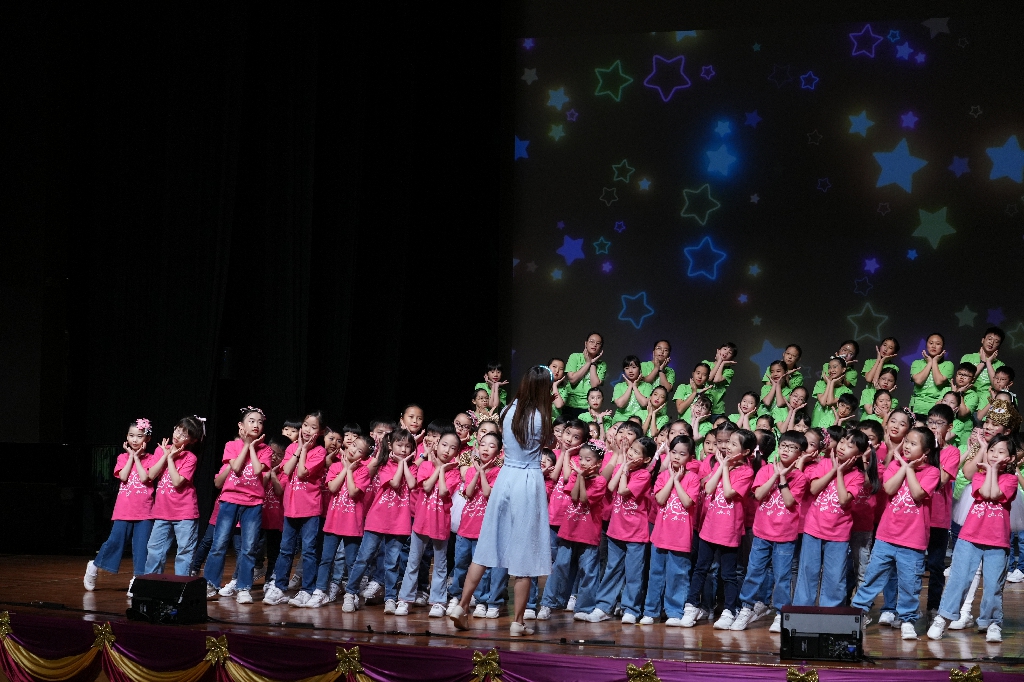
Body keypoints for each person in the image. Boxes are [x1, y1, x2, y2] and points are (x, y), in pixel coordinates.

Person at [450, 365, 554, 637]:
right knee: (525, 553)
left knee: (487, 544)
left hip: (506, 476)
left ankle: (461, 606)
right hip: (528, 480)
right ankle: (518, 622)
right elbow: (550, 442)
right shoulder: (541, 415)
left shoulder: (508, 410)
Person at [851, 427, 941, 639]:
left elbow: (918, 494)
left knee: (910, 584)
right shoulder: (894, 465)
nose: (907, 446)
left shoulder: (932, 472)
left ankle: (907, 619)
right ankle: (858, 613)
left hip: (913, 540)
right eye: (906, 441)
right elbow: (890, 489)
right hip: (886, 537)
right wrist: (904, 466)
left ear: (926, 451)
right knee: (872, 577)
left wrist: (909, 469)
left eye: (913, 443)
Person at [929, 433, 1019, 643]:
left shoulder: (1011, 479)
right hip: (970, 537)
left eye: (1000, 452)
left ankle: (992, 622)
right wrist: (989, 470)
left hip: (997, 540)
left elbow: (994, 494)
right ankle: (943, 618)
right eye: (991, 450)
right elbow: (984, 492)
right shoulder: (979, 476)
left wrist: (993, 470)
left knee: (993, 585)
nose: (994, 455)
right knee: (959, 580)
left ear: (1011, 458)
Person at [730, 431, 810, 632]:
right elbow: (758, 494)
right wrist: (775, 474)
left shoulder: (800, 477)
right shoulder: (766, 470)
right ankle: (746, 608)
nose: (786, 450)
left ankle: (780, 612)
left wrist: (782, 479)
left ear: (800, 454)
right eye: (784, 446)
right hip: (761, 532)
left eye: (792, 448)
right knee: (754, 571)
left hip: (785, 535)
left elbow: (789, 501)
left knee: (782, 576)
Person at [683, 427, 756, 628]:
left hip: (729, 530)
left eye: (733, 444)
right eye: (727, 443)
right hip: (709, 527)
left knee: (728, 574)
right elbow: (708, 488)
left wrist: (724, 468)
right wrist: (722, 466)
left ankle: (729, 611)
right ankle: (691, 606)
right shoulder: (719, 464)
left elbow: (729, 493)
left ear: (746, 451)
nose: (727, 447)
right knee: (701, 568)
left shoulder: (747, 471)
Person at [343, 428, 417, 612]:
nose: (404, 450)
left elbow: (412, 484)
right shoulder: (383, 464)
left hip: (399, 522)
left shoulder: (412, 467)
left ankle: (390, 597)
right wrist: (400, 464)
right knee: (363, 558)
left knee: (392, 563)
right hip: (377, 519)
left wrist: (403, 464)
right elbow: (395, 483)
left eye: (408, 446)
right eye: (400, 445)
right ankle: (350, 593)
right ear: (390, 446)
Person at [793, 429, 869, 607]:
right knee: (807, 572)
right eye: (842, 442)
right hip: (813, 528)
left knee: (834, 576)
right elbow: (813, 489)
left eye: (850, 445)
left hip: (838, 534)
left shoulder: (858, 476)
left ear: (858, 454)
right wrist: (833, 470)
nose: (842, 447)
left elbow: (843, 500)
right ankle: (802, 610)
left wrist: (840, 473)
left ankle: (831, 611)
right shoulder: (825, 463)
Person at [396, 427, 464, 616]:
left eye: (452, 448)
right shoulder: (425, 466)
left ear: (457, 452)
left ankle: (438, 602)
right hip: (421, 522)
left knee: (440, 565)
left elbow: (443, 491)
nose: (447, 450)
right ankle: (405, 599)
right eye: (444, 445)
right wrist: (438, 468)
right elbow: (426, 486)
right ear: (437, 445)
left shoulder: (454, 473)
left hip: (441, 524)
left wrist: (442, 470)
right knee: (413, 562)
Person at [587, 436, 655, 623]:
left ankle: (631, 609)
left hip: (635, 533)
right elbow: (610, 486)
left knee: (633, 573)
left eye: (636, 452)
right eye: (631, 449)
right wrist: (623, 465)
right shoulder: (622, 467)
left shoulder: (643, 475)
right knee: (612, 569)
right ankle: (603, 607)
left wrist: (624, 471)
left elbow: (624, 490)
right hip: (616, 529)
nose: (631, 453)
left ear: (646, 459)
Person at [538, 440, 608, 620]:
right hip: (569, 530)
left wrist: (581, 478)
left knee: (588, 571)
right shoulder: (576, 476)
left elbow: (584, 499)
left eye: (588, 459)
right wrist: (580, 477)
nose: (582, 462)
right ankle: (548, 603)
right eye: (581, 458)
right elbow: (575, 495)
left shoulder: (600, 481)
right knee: (560, 566)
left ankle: (584, 608)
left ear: (598, 463)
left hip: (588, 533)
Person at [84, 418, 155, 595]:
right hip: (124, 509)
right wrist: (131, 457)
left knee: (142, 547)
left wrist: (137, 458)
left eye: (139, 436)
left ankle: (138, 580)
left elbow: (145, 477)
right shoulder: (122, 457)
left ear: (147, 439)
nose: (134, 440)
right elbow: (123, 476)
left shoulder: (152, 459)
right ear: (127, 437)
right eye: (131, 435)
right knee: (115, 541)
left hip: (145, 511)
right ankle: (94, 565)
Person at [264, 411, 328, 606]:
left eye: (313, 427)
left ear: (321, 431)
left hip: (310, 508)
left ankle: (307, 590)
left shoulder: (320, 452)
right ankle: (280, 587)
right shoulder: (292, 447)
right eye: (305, 425)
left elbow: (301, 472)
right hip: (290, 507)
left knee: (308, 551)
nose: (307, 430)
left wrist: (305, 450)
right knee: (285, 549)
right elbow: (287, 469)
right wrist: (299, 448)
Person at [308, 434, 372, 609]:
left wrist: (350, 471)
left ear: (364, 457)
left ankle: (351, 594)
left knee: (352, 562)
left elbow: (353, 492)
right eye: (354, 445)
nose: (354, 450)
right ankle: (320, 592)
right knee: (326, 559)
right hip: (333, 522)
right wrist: (344, 469)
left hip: (352, 524)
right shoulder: (335, 466)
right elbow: (333, 487)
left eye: (359, 450)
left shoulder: (363, 471)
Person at [642, 435, 699, 626]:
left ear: (690, 457)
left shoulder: (692, 478)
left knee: (678, 575)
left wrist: (678, 482)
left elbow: (687, 502)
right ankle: (651, 611)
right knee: (655, 574)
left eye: (682, 454)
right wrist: (672, 479)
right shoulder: (663, 476)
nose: (676, 457)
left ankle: (674, 611)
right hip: (660, 535)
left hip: (680, 537)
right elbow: (660, 499)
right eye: (673, 452)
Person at [144, 416, 204, 579]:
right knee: (154, 550)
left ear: (192, 440)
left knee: (184, 552)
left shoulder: (190, 458)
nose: (178, 435)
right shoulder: (160, 450)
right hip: (162, 511)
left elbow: (177, 482)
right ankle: (152, 585)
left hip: (184, 512)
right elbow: (151, 475)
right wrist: (165, 455)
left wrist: (170, 459)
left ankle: (181, 588)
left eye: (184, 434)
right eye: (178, 430)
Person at [563, 333, 606, 420]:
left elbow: (594, 386)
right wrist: (588, 363)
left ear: (600, 347)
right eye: (592, 341)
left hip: (588, 406)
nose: (594, 345)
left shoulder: (602, 364)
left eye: (598, 343)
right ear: (586, 343)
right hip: (570, 404)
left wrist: (593, 363)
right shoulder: (574, 357)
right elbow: (572, 379)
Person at [910, 333, 954, 413]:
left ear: (942, 347)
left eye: (938, 344)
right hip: (916, 408)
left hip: (937, 410)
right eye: (931, 343)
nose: (934, 346)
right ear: (926, 345)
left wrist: (934, 361)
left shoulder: (948, 365)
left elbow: (939, 382)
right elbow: (918, 381)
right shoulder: (916, 363)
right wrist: (930, 362)